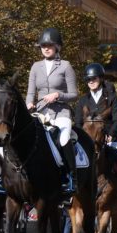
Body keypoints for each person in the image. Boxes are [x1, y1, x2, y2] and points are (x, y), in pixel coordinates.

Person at [26, 27, 78, 196]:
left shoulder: (65, 66)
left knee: (62, 139)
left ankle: (71, 177)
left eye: (49, 45)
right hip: (40, 113)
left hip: (61, 113)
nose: (46, 48)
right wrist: (28, 103)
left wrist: (58, 95)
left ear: (57, 47)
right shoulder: (35, 67)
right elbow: (30, 92)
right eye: (43, 45)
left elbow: (74, 94)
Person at [74, 63, 117, 204]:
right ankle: (70, 188)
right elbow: (77, 122)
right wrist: (82, 138)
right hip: (87, 140)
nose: (91, 81)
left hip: (108, 138)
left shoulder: (112, 98)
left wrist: (111, 134)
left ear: (100, 79)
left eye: (93, 78)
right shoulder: (83, 100)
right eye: (88, 79)